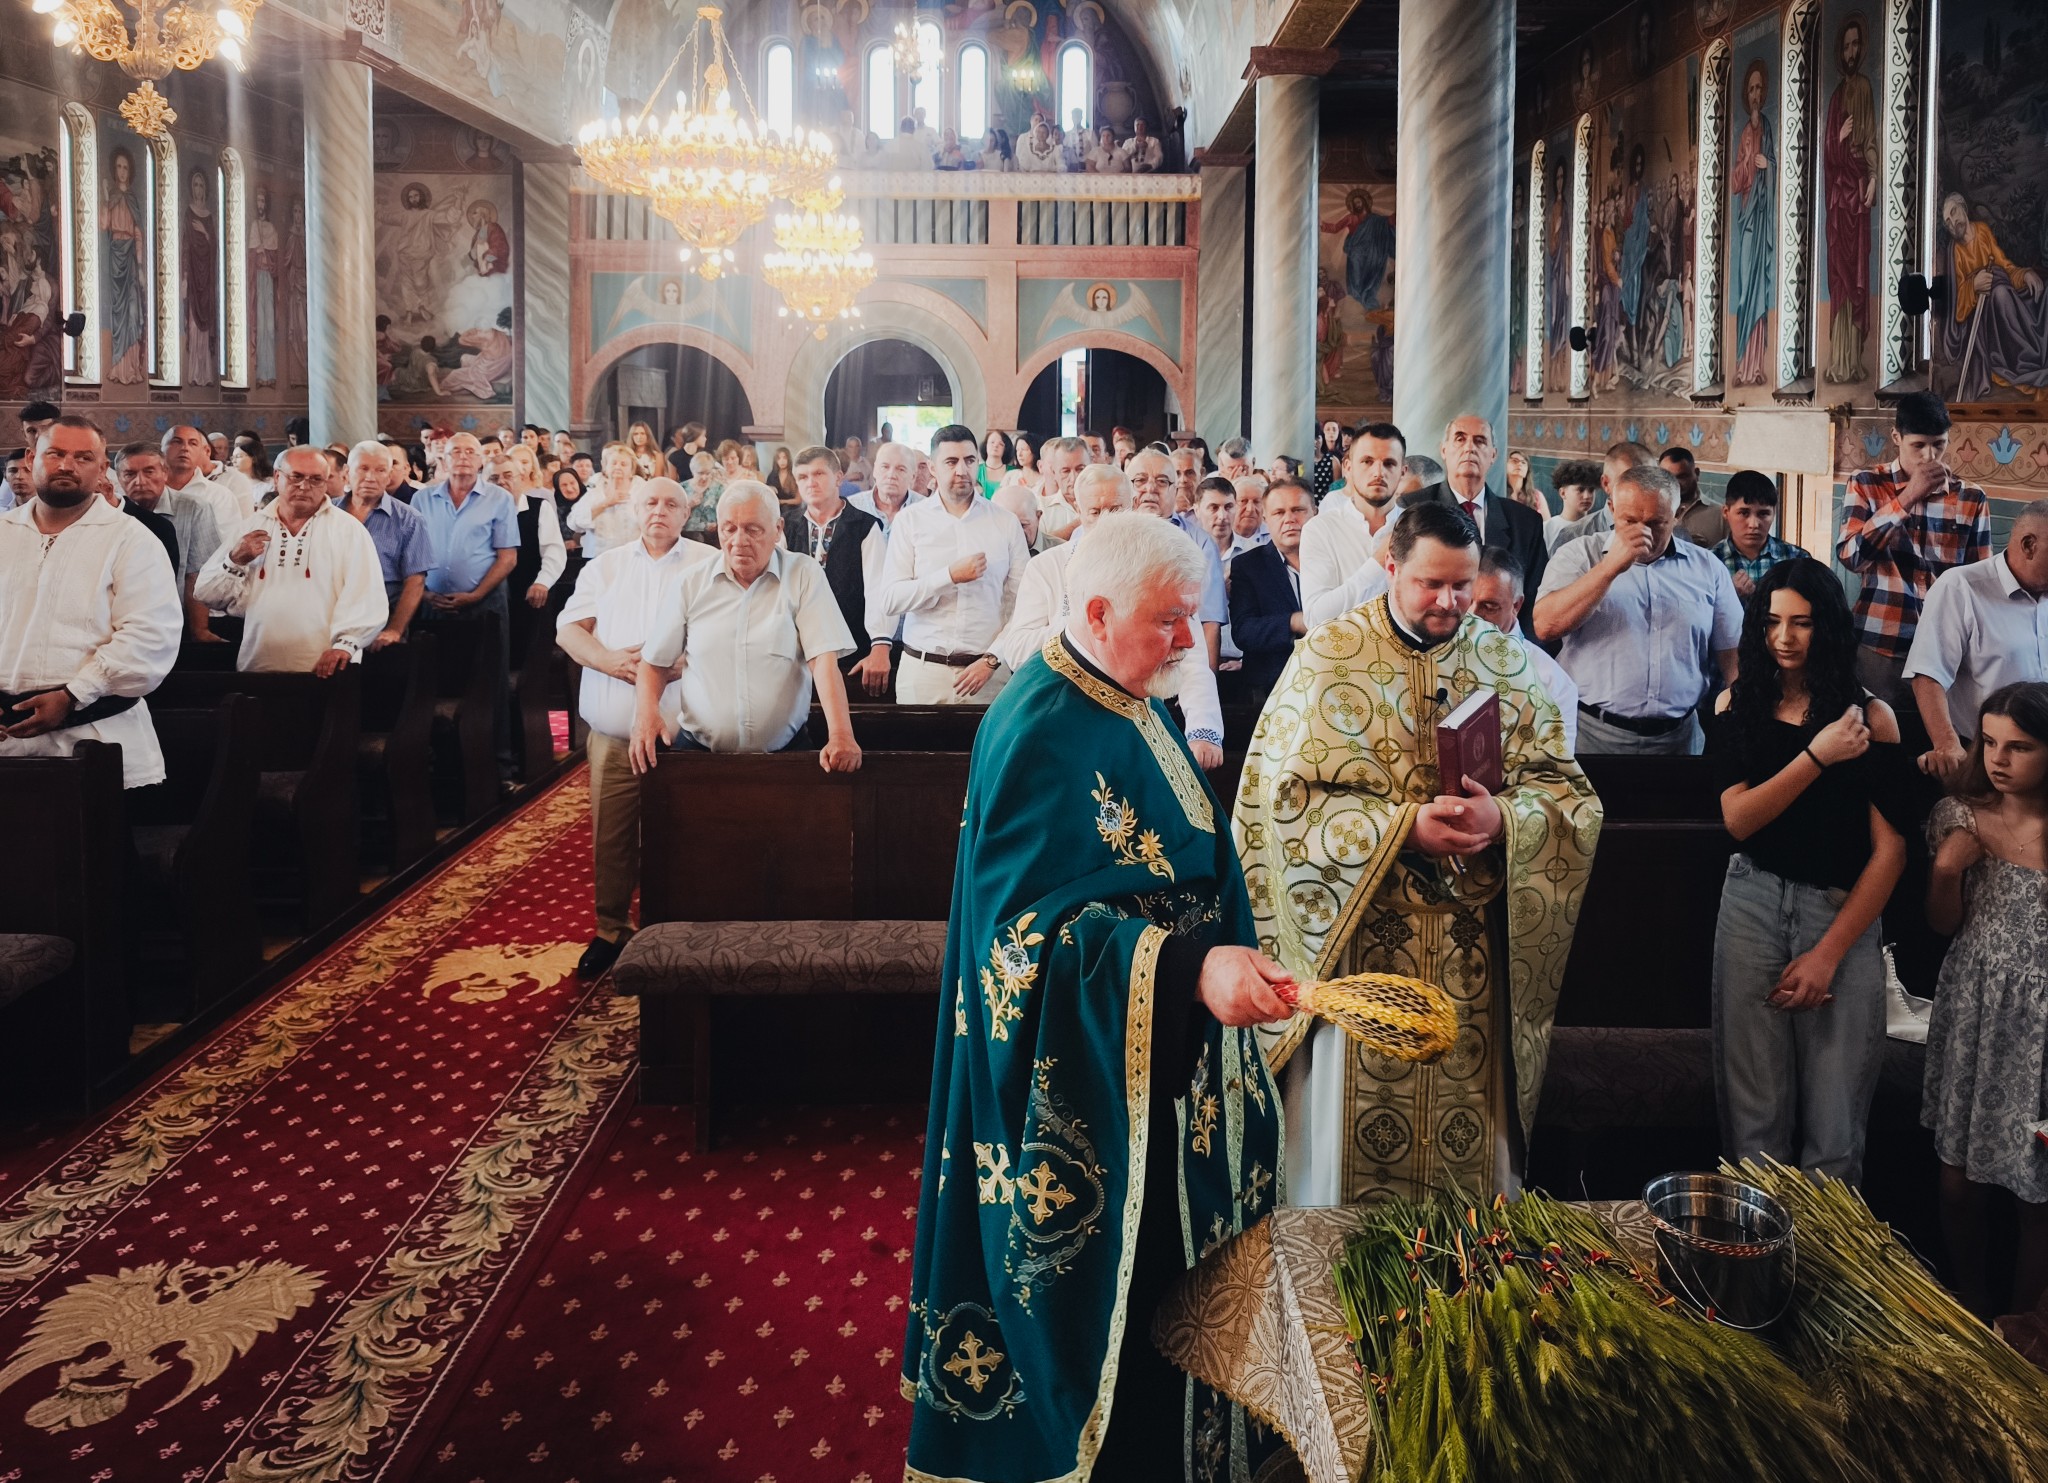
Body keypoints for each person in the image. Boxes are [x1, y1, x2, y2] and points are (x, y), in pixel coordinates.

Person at [903, 511, 1289, 1482]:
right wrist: (1186, 969)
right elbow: (1018, 942)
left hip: (1165, 1055)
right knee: (1115, 1317)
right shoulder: (1036, 724)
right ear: (1099, 611)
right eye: (1168, 620)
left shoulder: (1130, 691)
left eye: (1190, 617)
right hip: (1092, 1075)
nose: (1187, 641)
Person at [1235, 500, 1601, 1204]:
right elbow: (1280, 804)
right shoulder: (1327, 657)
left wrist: (1504, 817)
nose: (1449, 602)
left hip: (1471, 955)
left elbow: (1568, 796)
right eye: (1431, 584)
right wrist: (1403, 828)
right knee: (1346, 1171)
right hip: (1363, 947)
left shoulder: (1503, 659)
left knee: (1467, 1180)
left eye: (1462, 585)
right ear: (1390, 567)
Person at [1709, 558, 1908, 1184]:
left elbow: (1891, 853)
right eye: (1772, 622)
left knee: (1836, 1128)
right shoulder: (1736, 703)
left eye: (1801, 622)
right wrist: (1816, 756)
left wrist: (1828, 955)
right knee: (1754, 1121)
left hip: (1838, 909)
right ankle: (1756, 1245)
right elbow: (1739, 820)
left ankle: (1825, 1247)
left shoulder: (1870, 718)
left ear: (1827, 627)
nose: (1784, 638)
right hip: (1751, 902)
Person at [556, 478, 717, 979]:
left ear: (686, 513)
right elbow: (568, 630)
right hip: (615, 729)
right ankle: (611, 929)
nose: (659, 511)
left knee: (691, 834)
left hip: (688, 733)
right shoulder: (605, 566)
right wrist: (608, 660)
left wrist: (671, 665)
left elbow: (724, 635)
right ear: (634, 509)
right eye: (650, 502)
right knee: (613, 834)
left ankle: (686, 925)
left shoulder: (709, 563)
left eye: (671, 504)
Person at [1923, 681, 2048, 1319]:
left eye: (2019, 747)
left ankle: (2023, 1328)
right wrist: (1947, 870)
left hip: (2042, 1030)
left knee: (2037, 1193)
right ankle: (1971, 1298)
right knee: (1957, 1183)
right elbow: (1943, 925)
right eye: (1990, 742)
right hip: (1976, 1011)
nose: (1998, 759)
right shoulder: (1961, 816)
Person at [0, 417, 182, 788]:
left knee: (93, 825)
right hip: (6, 741)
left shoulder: (132, 539)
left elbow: (150, 636)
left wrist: (73, 694)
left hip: (96, 736)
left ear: (102, 469)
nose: (66, 465)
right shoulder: (4, 532)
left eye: (83, 457)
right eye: (55, 454)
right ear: (32, 459)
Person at [629, 482, 861, 767]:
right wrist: (646, 714)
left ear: (778, 529)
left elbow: (823, 659)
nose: (739, 541)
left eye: (753, 529)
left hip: (786, 754)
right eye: (729, 529)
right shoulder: (691, 583)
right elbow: (654, 663)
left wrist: (840, 733)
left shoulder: (803, 574)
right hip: (698, 754)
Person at [1535, 464, 1743, 754]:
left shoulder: (1707, 568)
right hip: (1593, 734)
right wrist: (1609, 568)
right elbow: (1545, 626)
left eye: (1657, 523)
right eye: (1630, 521)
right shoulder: (1579, 555)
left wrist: (1742, 708)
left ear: (1676, 515)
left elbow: (1732, 650)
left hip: (1679, 738)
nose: (1643, 533)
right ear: (1611, 509)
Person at [1838, 390, 1992, 715]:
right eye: (1918, 445)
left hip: (1943, 648)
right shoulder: (1866, 483)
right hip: (1881, 644)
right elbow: (1852, 557)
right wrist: (1907, 498)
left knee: (1938, 738)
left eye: (1939, 444)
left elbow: (1980, 581)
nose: (1929, 457)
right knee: (1877, 734)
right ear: (1897, 437)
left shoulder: (1971, 497)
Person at [195, 445, 387, 676]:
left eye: (316, 479)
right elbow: (205, 594)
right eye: (296, 477)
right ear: (277, 477)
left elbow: (367, 596)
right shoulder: (251, 528)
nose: (304, 486)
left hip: (328, 669)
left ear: (326, 483)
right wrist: (234, 560)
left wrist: (345, 645)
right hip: (259, 666)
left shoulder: (348, 530)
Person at [878, 426, 1031, 706]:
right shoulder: (910, 521)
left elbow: (1023, 605)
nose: (962, 470)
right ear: (932, 468)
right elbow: (891, 600)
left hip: (987, 673)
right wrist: (948, 576)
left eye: (969, 461)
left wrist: (992, 659)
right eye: (951, 462)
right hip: (923, 671)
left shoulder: (1005, 522)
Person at [1904, 500, 2048, 785]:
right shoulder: (1960, 588)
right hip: (1985, 758)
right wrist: (1947, 744)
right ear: (2029, 545)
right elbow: (1928, 675)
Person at [415, 432, 522, 778]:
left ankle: (498, 765)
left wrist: (476, 595)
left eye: (469, 452)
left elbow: (507, 558)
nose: (462, 457)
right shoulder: (422, 499)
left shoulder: (498, 499)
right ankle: (442, 768)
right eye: (455, 452)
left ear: (480, 461)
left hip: (485, 605)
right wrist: (424, 594)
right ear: (443, 460)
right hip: (432, 606)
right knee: (435, 683)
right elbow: (412, 553)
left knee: (491, 681)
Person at [1401, 414, 1550, 636]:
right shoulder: (1414, 508)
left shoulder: (1525, 522)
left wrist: (1518, 651)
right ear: (1444, 450)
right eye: (1460, 439)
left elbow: (1536, 602)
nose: (1469, 448)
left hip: (1502, 644)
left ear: (1493, 455)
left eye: (1480, 441)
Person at [786, 446, 893, 698]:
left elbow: (878, 590)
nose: (810, 482)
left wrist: (880, 644)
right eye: (802, 477)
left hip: (852, 648)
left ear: (838, 477)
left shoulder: (864, 526)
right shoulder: (786, 526)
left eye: (818, 474)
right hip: (796, 653)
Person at [1474, 549, 1579, 751]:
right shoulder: (1431, 656)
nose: (1472, 616)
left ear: (1516, 605)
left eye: (1489, 606)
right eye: (1466, 601)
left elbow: (1555, 765)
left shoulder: (1551, 683)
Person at [114, 442, 223, 637]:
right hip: (121, 620)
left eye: (149, 472)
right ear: (118, 478)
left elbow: (198, 574)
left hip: (175, 621)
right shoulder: (113, 513)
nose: (140, 481)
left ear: (165, 473)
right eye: (130, 474)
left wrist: (199, 629)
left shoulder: (195, 509)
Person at [1299, 421, 1401, 626]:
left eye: (1389, 463)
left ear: (1403, 471)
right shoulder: (1321, 529)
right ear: (1348, 467)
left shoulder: (1418, 528)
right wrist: (1378, 562)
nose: (1378, 472)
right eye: (1367, 461)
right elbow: (1315, 619)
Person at [339, 441, 433, 651]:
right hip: (330, 618)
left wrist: (395, 630)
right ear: (346, 473)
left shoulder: (409, 519)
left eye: (380, 470)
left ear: (389, 476)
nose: (370, 477)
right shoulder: (328, 513)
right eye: (363, 468)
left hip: (381, 622)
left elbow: (415, 581)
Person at [1228, 475, 1311, 705]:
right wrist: (1293, 622)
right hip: (1274, 690)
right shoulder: (1248, 566)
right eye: (1279, 513)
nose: (1289, 519)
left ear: (1314, 512)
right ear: (1266, 519)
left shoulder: (1335, 560)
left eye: (1298, 510)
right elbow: (1244, 631)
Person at [1714, 470, 1810, 599]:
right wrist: (1726, 595)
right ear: (1726, 512)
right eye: (1744, 513)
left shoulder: (1797, 559)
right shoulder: (1707, 562)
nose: (1754, 524)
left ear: (1774, 513)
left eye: (1763, 514)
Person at [1546, 440, 1657, 551]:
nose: (1639, 490)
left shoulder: (1663, 531)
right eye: (1628, 482)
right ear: (1606, 483)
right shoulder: (1573, 536)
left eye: (1648, 481)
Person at [568, 442, 647, 559]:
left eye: (623, 464)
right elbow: (574, 523)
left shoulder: (642, 490)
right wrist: (605, 504)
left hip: (633, 556)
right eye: (614, 463)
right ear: (605, 468)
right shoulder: (595, 489)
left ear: (631, 470)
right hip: (598, 557)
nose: (618, 467)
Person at [1033, 435, 1088, 546]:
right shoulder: (1040, 508)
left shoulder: (1107, 502)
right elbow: (1039, 547)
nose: (1074, 478)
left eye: (1080, 469)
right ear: (1054, 473)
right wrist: (1082, 520)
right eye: (1066, 471)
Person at [1544, 459, 1600, 550]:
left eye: (1591, 490)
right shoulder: (1547, 529)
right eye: (1580, 490)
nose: (1586, 496)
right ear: (1563, 493)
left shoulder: (1599, 528)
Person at [977, 430, 1013, 498]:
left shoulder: (1014, 472)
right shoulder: (975, 470)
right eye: (992, 442)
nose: (996, 445)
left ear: (1006, 449)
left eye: (1001, 444)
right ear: (985, 445)